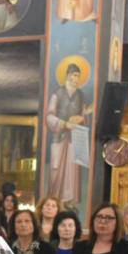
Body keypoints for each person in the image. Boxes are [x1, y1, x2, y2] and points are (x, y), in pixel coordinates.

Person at [46, 62, 92, 205]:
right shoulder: (57, 94)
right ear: (67, 76)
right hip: (59, 137)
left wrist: (83, 116)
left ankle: (70, 202)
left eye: (78, 76)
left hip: (75, 138)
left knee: (72, 172)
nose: (76, 79)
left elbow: (84, 116)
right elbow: (49, 116)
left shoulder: (80, 95)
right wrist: (64, 124)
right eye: (74, 75)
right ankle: (55, 202)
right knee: (56, 169)